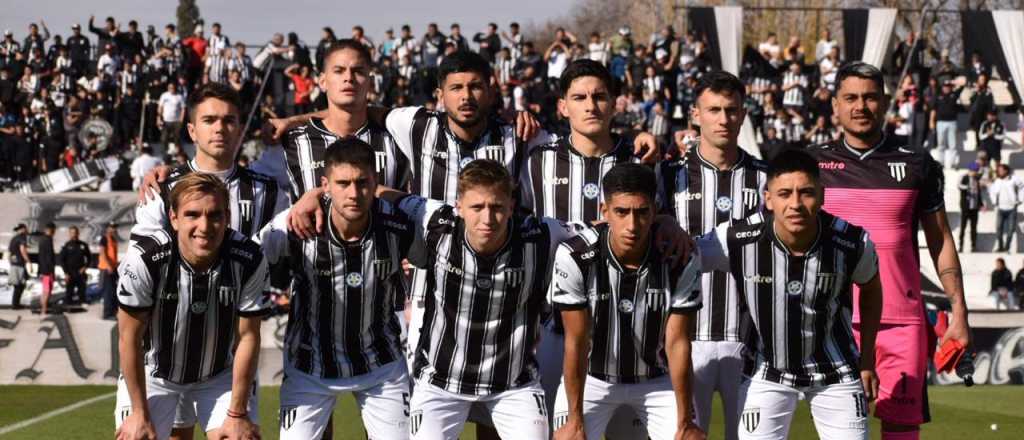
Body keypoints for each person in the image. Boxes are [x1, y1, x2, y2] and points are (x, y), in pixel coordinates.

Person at [808, 62, 970, 440]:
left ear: (884, 102)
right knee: (843, 430)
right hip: (834, 321)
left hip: (902, 322)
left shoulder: (917, 165)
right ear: (835, 105)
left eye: (869, 97)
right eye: (850, 98)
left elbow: (941, 239)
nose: (860, 106)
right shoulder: (813, 166)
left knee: (900, 430)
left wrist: (959, 312)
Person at [381, 159, 579, 440]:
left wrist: (663, 220)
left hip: (514, 385)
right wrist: (314, 197)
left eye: (497, 207)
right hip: (440, 383)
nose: (487, 219)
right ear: (459, 206)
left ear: (511, 205)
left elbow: (598, 229)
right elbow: (382, 194)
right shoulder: (436, 222)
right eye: (477, 207)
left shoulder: (541, 235)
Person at [135, 82, 289, 440]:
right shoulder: (161, 187)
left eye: (229, 120)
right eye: (209, 120)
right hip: (168, 350)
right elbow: (144, 261)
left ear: (240, 128)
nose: (220, 128)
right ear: (192, 129)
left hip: (230, 356)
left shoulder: (267, 192)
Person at [698, 149, 882, 440]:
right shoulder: (736, 239)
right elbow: (682, 256)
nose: (795, 204)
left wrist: (868, 358)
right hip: (766, 371)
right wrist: (666, 225)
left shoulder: (852, 243)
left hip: (836, 372)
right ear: (768, 199)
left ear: (822, 195)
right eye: (784, 193)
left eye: (806, 192)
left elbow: (871, 288)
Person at [258, 139, 414, 439]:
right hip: (309, 367)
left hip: (381, 366)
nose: (354, 193)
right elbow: (246, 260)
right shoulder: (294, 224)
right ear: (325, 185)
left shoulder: (400, 224)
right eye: (343, 183)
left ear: (375, 182)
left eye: (362, 182)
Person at [551, 164, 705, 440]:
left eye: (641, 212)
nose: (632, 225)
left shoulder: (679, 258)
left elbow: (678, 342)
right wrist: (575, 421)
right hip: (594, 380)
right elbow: (576, 340)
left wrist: (685, 423)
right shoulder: (575, 255)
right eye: (622, 212)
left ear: (655, 212)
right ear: (604, 211)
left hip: (657, 380)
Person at [114, 173, 269, 440]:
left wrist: (237, 414)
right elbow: (129, 339)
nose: (204, 226)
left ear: (227, 216)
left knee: (239, 437)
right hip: (156, 374)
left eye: (215, 215)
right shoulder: (145, 260)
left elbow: (248, 337)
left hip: (218, 375)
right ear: (173, 218)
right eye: (192, 215)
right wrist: (139, 413)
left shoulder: (249, 258)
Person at [656, 70, 767, 440]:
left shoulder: (766, 180)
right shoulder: (667, 176)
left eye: (732, 110)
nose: (724, 119)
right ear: (695, 114)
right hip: (685, 337)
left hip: (750, 340)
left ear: (744, 114)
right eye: (714, 109)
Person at [989, 163, 1023, 252]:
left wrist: (1020, 199)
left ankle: (1007, 247)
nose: (999, 172)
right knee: (998, 228)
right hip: (1001, 208)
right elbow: (992, 192)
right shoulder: (997, 181)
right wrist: (994, 202)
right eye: (998, 170)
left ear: (1006, 170)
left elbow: (1022, 188)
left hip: (1012, 208)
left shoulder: (1014, 179)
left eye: (1001, 170)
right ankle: (1000, 246)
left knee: (1011, 229)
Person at [58, 225, 92, 306]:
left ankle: (82, 303)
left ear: (78, 233)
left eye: (75, 233)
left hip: (80, 272)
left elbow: (89, 258)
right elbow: (61, 260)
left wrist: (85, 267)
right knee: (69, 292)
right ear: (69, 234)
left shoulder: (83, 245)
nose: (74, 234)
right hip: (70, 272)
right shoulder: (66, 245)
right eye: (72, 233)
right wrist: (66, 273)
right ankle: (69, 305)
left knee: (81, 290)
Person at [958, 163, 984, 252]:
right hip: (966, 207)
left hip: (974, 208)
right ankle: (960, 245)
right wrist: (967, 187)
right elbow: (959, 186)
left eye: (976, 171)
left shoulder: (977, 180)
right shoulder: (964, 177)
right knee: (963, 227)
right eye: (974, 171)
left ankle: (973, 246)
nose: (976, 173)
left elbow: (978, 193)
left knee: (974, 228)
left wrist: (981, 205)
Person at [34, 222, 57, 315]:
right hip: (47, 270)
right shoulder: (48, 240)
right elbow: (49, 256)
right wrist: (51, 270)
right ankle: (44, 310)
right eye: (54, 230)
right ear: (52, 230)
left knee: (45, 290)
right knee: (47, 290)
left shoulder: (42, 239)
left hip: (43, 269)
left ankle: (43, 309)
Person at [98, 222, 119, 320]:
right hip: (106, 269)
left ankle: (113, 311)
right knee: (108, 291)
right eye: (112, 227)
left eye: (115, 227)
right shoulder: (104, 239)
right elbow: (103, 253)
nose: (114, 229)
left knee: (113, 291)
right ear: (107, 228)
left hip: (113, 268)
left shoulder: (113, 239)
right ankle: (107, 314)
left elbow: (113, 255)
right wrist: (108, 266)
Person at [6, 223, 30, 310]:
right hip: (19, 264)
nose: (27, 230)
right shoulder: (22, 238)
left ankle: (15, 304)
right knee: (20, 285)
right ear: (23, 229)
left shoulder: (13, 238)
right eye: (26, 229)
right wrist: (29, 261)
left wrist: (11, 263)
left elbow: (9, 254)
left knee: (19, 285)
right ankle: (15, 305)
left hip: (14, 264)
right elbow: (22, 250)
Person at [157, 81, 185, 149]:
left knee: (177, 138)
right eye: (170, 88)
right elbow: (160, 107)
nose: (171, 89)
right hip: (166, 120)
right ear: (168, 88)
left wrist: (181, 120)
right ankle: (164, 152)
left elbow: (183, 109)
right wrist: (158, 118)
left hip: (176, 121)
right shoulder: (164, 95)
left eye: (173, 88)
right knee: (164, 138)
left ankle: (177, 152)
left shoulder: (179, 96)